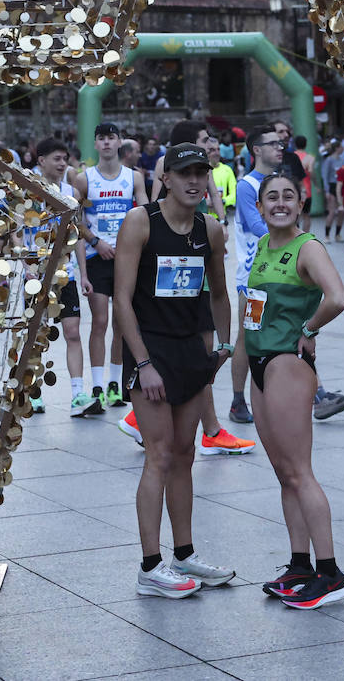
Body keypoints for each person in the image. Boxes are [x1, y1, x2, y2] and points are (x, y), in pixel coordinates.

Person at [113, 143, 237, 598]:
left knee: (186, 454)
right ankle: (150, 566)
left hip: (192, 351)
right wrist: (142, 363)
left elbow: (220, 293)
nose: (194, 181)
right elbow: (122, 298)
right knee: (160, 455)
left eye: (201, 173)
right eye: (184, 173)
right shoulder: (140, 222)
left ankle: (184, 555)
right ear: (165, 178)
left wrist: (224, 344)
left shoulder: (211, 229)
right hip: (151, 350)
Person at [245, 170, 344, 607]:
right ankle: (299, 565)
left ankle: (330, 572)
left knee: (300, 472)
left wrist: (309, 329)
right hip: (258, 363)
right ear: (260, 207)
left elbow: (338, 297)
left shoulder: (306, 247)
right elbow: (252, 312)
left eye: (288, 196)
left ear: (301, 204)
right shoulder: (262, 246)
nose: (280, 203)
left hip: (287, 365)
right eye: (272, 197)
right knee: (284, 474)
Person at [74, 122, 149, 413]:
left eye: (111, 138)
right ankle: (96, 383)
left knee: (121, 322)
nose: (106, 143)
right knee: (100, 321)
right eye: (101, 139)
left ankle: (115, 383)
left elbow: (146, 213)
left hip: (126, 258)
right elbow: (74, 219)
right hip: (97, 257)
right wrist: (96, 242)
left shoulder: (134, 178)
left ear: (120, 143)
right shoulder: (84, 179)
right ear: (95, 144)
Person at [27, 137, 87, 416]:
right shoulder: (28, 190)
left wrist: (84, 275)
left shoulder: (71, 192)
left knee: (73, 331)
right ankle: (33, 393)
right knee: (36, 335)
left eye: (65, 159)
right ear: (41, 161)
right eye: (57, 159)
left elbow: (79, 239)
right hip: (37, 275)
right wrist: (27, 265)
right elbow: (18, 231)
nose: (63, 164)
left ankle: (78, 394)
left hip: (68, 276)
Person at [228, 125, 283, 423]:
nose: (280, 148)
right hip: (253, 278)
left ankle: (316, 394)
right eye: (273, 143)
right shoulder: (247, 185)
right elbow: (256, 226)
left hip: (283, 273)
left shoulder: (280, 182)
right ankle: (238, 401)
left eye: (282, 143)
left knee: (292, 329)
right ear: (256, 150)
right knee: (247, 339)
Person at [207, 138, 236, 223]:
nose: (216, 153)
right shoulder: (200, 170)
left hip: (221, 218)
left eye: (218, 149)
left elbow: (234, 193)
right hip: (203, 217)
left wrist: (222, 201)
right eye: (212, 150)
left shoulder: (227, 170)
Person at [320, 140, 343, 240]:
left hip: (341, 187)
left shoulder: (342, 160)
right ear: (337, 148)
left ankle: (337, 234)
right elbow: (324, 175)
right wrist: (327, 190)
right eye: (341, 147)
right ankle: (327, 235)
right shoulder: (329, 160)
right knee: (332, 212)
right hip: (332, 186)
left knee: (342, 212)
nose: (342, 148)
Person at [293, 133, 315, 232]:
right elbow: (311, 171)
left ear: (295, 144)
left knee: (295, 215)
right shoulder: (310, 157)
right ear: (306, 144)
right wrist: (316, 185)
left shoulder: (292, 157)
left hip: (293, 189)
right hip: (306, 190)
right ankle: (305, 237)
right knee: (306, 215)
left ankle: (294, 236)